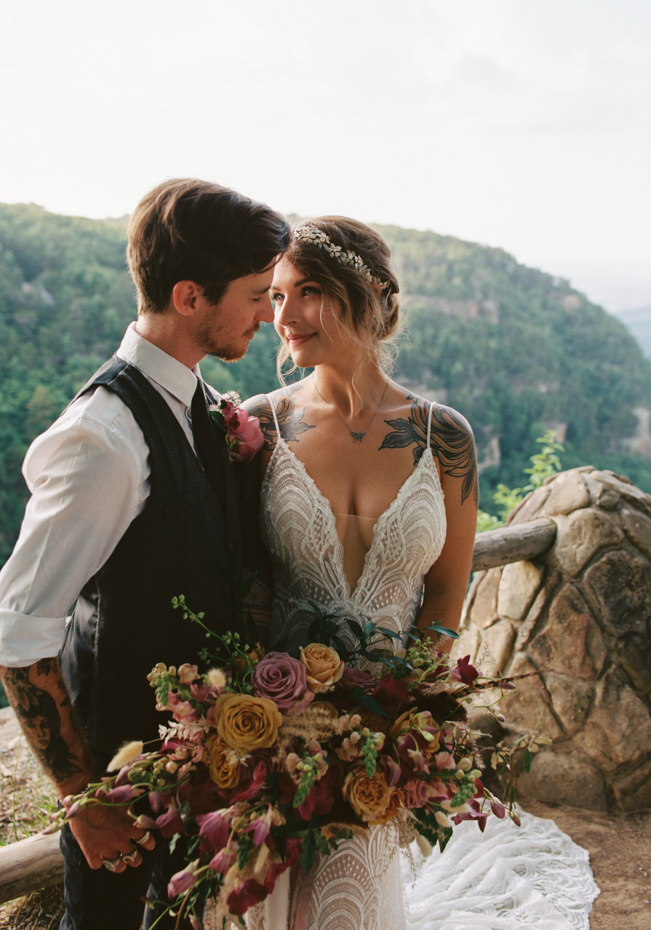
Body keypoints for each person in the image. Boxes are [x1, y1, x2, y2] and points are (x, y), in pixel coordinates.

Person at [242, 218, 599, 930]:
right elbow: (244, 587)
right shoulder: (260, 427)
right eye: (275, 296)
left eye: (307, 292)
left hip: (383, 738)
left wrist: (405, 717)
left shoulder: (445, 436)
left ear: (367, 294)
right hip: (275, 729)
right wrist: (260, 716)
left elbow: (444, 592)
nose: (283, 316)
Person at [0, 178, 289, 930]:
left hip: (192, 776)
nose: (267, 314)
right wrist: (86, 805)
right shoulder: (103, 440)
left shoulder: (198, 403)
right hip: (120, 792)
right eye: (255, 294)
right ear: (190, 297)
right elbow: (17, 638)